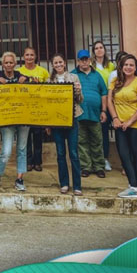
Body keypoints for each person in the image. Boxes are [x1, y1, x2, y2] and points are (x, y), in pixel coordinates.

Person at [107, 55, 137, 198]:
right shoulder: (115, 81)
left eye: (131, 65)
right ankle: (134, 186)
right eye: (126, 65)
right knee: (124, 154)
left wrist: (130, 121)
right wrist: (115, 118)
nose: (128, 67)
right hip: (119, 124)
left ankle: (134, 186)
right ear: (121, 66)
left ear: (136, 68)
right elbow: (109, 101)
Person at [0, 52, 30, 191]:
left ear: (15, 64)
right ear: (3, 64)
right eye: (6, 62)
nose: (8, 65)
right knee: (6, 151)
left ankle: (20, 179)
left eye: (11, 62)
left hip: (23, 118)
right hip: (7, 119)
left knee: (22, 149)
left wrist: (27, 81)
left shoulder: (20, 76)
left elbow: (34, 88)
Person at [50, 53, 84, 195]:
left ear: (65, 63)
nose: (58, 65)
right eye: (55, 63)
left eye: (60, 62)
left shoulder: (74, 77)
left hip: (72, 118)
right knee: (60, 153)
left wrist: (77, 91)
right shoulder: (49, 80)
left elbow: (80, 100)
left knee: (74, 153)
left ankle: (77, 185)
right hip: (57, 120)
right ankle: (64, 183)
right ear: (53, 65)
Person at [72, 49, 108, 178]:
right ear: (78, 61)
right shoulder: (73, 74)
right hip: (79, 114)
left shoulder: (97, 75)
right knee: (81, 141)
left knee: (97, 140)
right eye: (82, 59)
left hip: (95, 113)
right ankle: (86, 167)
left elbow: (104, 93)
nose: (84, 61)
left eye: (86, 59)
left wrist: (104, 110)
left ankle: (99, 166)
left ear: (90, 60)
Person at [18, 46, 49, 172]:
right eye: (27, 55)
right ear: (23, 57)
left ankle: (38, 162)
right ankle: (28, 161)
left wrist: (39, 85)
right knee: (26, 136)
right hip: (24, 107)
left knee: (37, 135)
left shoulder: (43, 71)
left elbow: (48, 89)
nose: (29, 57)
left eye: (32, 55)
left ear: (35, 57)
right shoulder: (18, 71)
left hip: (38, 107)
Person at [91, 40, 115, 171]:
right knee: (95, 132)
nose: (99, 50)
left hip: (109, 101)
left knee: (105, 131)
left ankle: (105, 158)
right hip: (96, 101)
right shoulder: (91, 65)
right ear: (93, 51)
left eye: (101, 47)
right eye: (96, 48)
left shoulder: (110, 66)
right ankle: (95, 158)